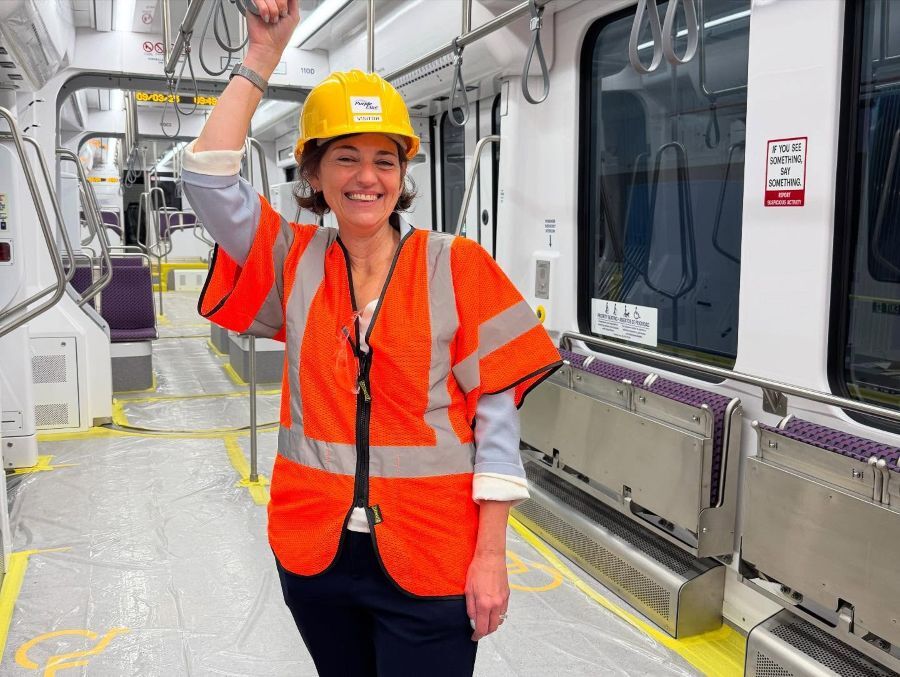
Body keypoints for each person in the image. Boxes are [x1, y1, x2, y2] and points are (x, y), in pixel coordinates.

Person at [180, 1, 561, 674]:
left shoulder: (457, 265)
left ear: (403, 175)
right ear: (315, 174)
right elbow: (206, 178)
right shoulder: (291, 260)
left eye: (385, 160)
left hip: (434, 555)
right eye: (346, 157)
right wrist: (262, 59)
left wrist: (492, 554)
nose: (367, 177)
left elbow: (498, 428)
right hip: (316, 556)